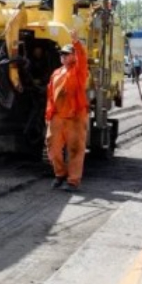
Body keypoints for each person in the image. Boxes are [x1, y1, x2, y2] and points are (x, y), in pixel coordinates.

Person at [45, 36, 89, 192]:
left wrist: (76, 43)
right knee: (52, 147)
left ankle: (73, 180)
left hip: (75, 117)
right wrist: (48, 115)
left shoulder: (79, 71)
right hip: (57, 116)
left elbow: (82, 58)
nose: (62, 56)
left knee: (75, 149)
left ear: (73, 56)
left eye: (66, 53)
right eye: (61, 54)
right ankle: (60, 174)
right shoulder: (56, 73)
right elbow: (50, 95)